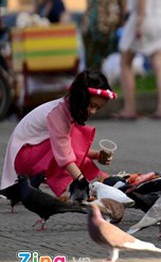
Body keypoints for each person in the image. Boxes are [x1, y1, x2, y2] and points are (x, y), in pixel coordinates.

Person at [0, 70, 117, 199]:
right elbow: (64, 154)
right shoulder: (58, 113)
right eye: (91, 105)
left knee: (72, 137)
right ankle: (91, 181)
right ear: (81, 98)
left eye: (97, 108)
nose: (93, 111)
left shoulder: (67, 108)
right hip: (23, 158)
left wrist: (96, 155)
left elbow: (69, 147)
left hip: (30, 152)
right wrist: (81, 181)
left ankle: (98, 179)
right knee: (66, 144)